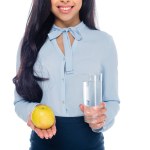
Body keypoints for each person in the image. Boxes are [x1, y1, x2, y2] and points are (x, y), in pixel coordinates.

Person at [13, 0, 120, 149]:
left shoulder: (104, 42)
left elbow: (112, 100)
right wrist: (32, 114)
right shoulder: (29, 42)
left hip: (90, 144)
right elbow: (20, 101)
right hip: (42, 144)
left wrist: (101, 118)